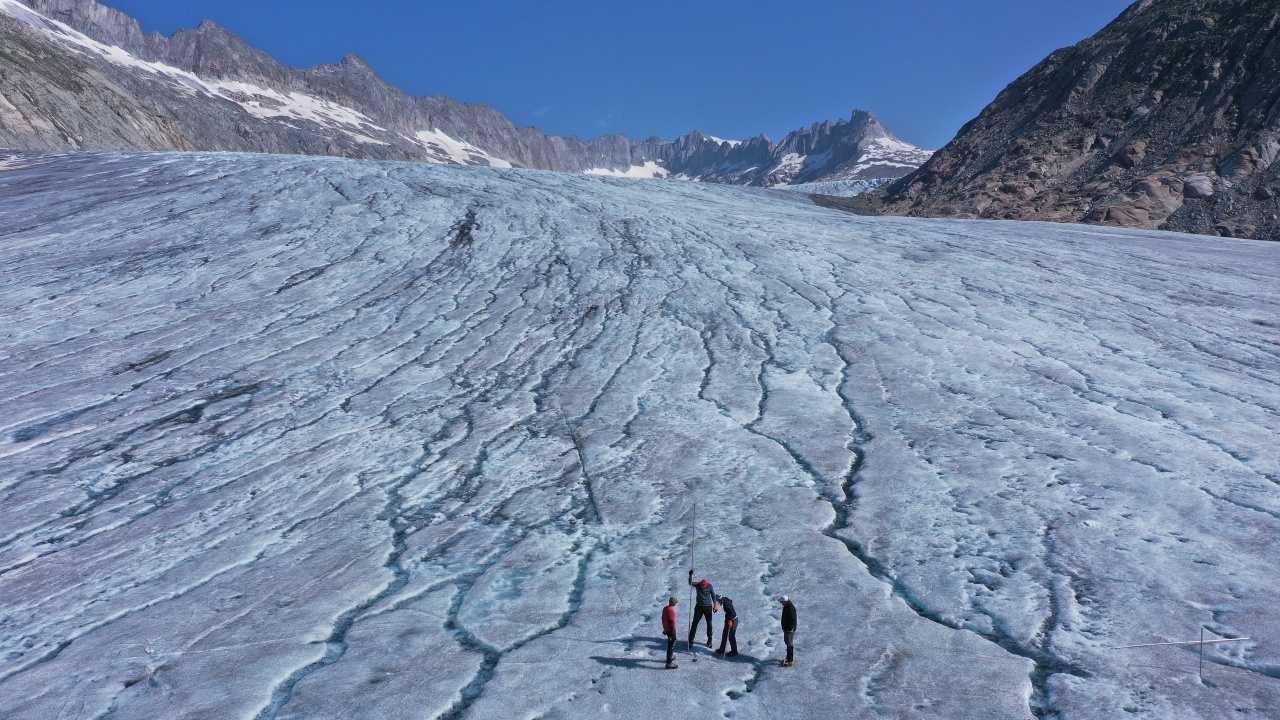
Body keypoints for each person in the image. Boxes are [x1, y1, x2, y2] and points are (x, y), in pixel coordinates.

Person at [687, 569, 718, 649]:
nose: (702, 587)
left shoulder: (710, 586)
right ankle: (690, 640)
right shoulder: (698, 585)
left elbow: (713, 596)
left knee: (709, 623)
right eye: (701, 586)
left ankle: (709, 640)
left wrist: (715, 604)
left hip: (708, 607)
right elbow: (690, 583)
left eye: (703, 586)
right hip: (699, 607)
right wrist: (690, 575)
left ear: (706, 584)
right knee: (695, 623)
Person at [662, 596, 679, 668]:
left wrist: (665, 629)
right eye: (675, 602)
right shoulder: (670, 610)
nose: (676, 603)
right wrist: (672, 634)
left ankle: (670, 656)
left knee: (670, 645)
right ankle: (669, 663)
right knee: (670, 646)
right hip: (671, 630)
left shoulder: (665, 608)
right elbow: (671, 622)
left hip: (667, 629)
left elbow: (663, 618)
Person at [780, 595, 797, 666]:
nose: (781, 603)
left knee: (789, 643)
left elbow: (793, 620)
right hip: (786, 628)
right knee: (787, 642)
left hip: (789, 629)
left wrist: (790, 628)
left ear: (785, 601)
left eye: (782, 602)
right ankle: (788, 657)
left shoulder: (790, 608)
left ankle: (790, 659)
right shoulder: (786, 607)